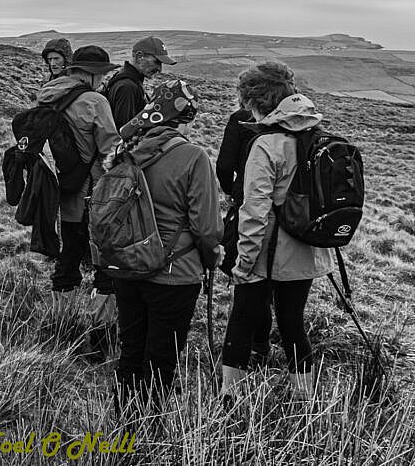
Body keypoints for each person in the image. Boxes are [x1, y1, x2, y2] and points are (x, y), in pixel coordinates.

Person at [221, 62, 333, 401]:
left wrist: (243, 263)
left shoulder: (266, 145)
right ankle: (304, 398)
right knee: (292, 323)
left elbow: (254, 213)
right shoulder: (314, 134)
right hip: (306, 250)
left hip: (267, 253)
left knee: (242, 318)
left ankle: (231, 398)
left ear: (256, 101)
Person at [107, 80, 222, 407]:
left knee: (131, 349)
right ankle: (147, 432)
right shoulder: (193, 157)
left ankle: (123, 426)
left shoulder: (126, 150)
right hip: (174, 273)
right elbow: (207, 227)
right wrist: (213, 257)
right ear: (185, 116)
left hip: (127, 266)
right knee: (161, 359)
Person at [35, 45, 121, 294]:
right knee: (103, 251)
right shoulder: (95, 101)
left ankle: (62, 305)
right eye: (101, 75)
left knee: (69, 248)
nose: (102, 80)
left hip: (59, 182)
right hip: (91, 188)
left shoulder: (49, 93)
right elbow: (110, 149)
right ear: (91, 73)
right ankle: (102, 312)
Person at [215, 106, 272, 366]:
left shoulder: (240, 119)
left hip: (247, 204)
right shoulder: (299, 126)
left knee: (247, 281)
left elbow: (225, 165)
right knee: (279, 292)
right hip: (292, 220)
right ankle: (261, 343)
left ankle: (244, 352)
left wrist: (230, 191)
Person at [106, 36, 177, 129]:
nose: (159, 69)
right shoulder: (128, 87)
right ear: (139, 56)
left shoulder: (127, 80)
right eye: (157, 62)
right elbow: (123, 131)